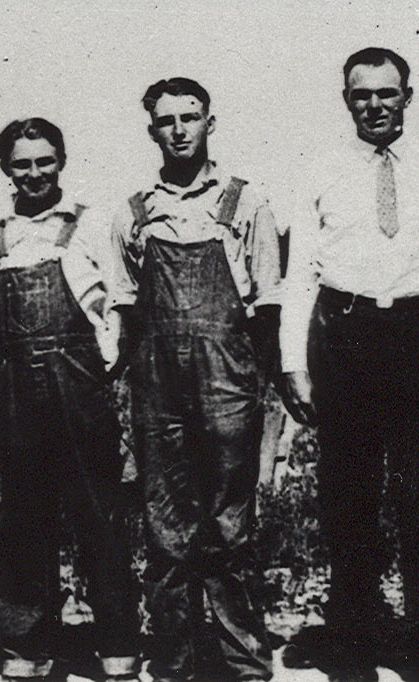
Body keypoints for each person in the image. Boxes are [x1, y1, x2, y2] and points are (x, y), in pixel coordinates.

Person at [278, 47, 419, 682]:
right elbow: (299, 275)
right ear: (346, 100)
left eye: (387, 93)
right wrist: (293, 364)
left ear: (407, 97)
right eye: (361, 95)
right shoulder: (321, 169)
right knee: (349, 497)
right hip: (346, 338)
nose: (375, 106)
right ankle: (354, 638)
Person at [107, 77, 281, 682]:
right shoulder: (134, 213)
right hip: (157, 388)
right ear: (151, 130)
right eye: (167, 120)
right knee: (166, 527)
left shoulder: (246, 203)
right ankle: (174, 659)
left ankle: (244, 659)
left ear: (210, 122)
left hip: (227, 382)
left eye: (190, 117)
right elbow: (125, 310)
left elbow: (267, 305)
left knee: (230, 524)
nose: (179, 130)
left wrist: (256, 391)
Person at [0, 118, 140, 682]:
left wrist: (102, 365)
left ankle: (116, 637)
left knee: (99, 514)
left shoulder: (88, 223)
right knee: (25, 519)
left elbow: (118, 302)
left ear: (62, 161)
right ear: (6, 169)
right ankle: (28, 645)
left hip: (79, 386)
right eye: (22, 164)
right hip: (18, 392)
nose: (34, 174)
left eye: (44, 161)